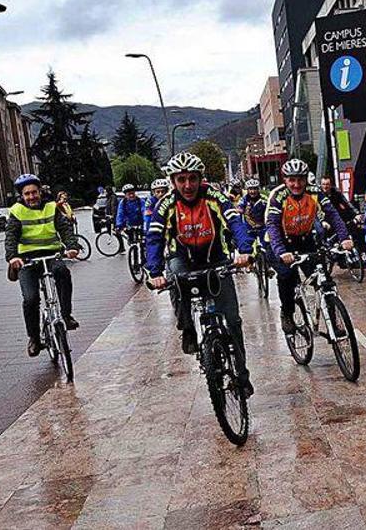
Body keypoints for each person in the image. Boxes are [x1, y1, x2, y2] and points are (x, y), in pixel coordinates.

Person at [146, 153, 256, 395]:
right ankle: (187, 328)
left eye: (192, 179)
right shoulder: (165, 204)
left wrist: (245, 250)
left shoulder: (213, 196)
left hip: (215, 258)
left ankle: (242, 375)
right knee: (173, 276)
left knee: (233, 320)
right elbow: (154, 237)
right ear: (173, 181)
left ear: (200, 179)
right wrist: (154, 272)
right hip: (182, 259)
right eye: (181, 179)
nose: (187, 185)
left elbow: (234, 220)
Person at [265, 159, 353, 335]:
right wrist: (281, 252)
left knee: (323, 278)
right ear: (285, 180)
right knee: (287, 276)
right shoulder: (278, 196)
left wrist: (345, 238)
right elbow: (272, 225)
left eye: (300, 180)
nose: (296, 184)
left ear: (306, 179)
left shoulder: (315, 192)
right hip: (280, 243)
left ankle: (333, 321)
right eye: (292, 180)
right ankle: (287, 314)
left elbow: (333, 215)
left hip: (304, 239)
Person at [5, 174, 80, 357]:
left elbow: (64, 228)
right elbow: (11, 236)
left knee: (62, 272)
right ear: (22, 196)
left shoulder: (51, 207)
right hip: (27, 258)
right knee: (30, 299)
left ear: (40, 192)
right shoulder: (16, 211)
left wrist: (71, 246)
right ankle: (34, 338)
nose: (31, 197)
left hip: (51, 253)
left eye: (34, 192)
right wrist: (13, 257)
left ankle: (66, 315)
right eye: (27, 194)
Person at [237, 179, 268, 254]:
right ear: (247, 190)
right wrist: (240, 210)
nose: (253, 191)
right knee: (248, 250)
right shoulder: (244, 199)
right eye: (250, 189)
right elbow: (239, 208)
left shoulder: (264, 198)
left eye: (255, 189)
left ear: (258, 189)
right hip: (248, 227)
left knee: (266, 247)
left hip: (262, 226)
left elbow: (270, 207)